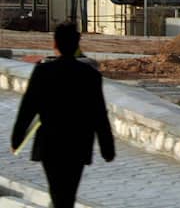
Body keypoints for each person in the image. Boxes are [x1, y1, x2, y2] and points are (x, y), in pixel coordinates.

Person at [10, 21, 115, 208]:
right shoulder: (89, 75)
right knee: (69, 192)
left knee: (57, 191)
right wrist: (107, 146)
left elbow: (28, 107)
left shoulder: (43, 71)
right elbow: (99, 113)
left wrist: (17, 138)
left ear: (55, 44)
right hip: (78, 143)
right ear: (77, 45)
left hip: (51, 143)